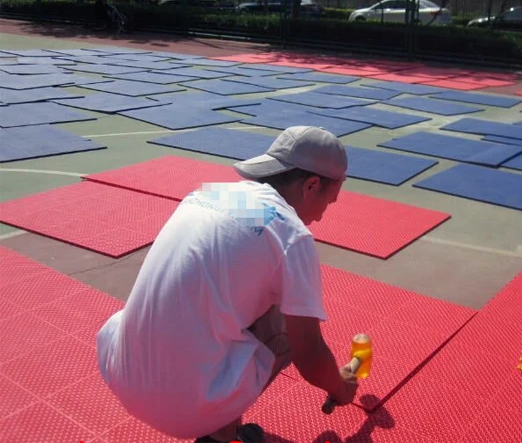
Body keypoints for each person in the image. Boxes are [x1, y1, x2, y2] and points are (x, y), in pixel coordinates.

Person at [96, 126, 360, 443]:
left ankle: (216, 416)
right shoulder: (291, 234)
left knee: (241, 292)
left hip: (123, 375)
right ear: (311, 185)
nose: (320, 216)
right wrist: (340, 387)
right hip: (183, 410)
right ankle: (219, 435)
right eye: (328, 202)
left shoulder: (207, 194)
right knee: (287, 325)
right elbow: (311, 357)